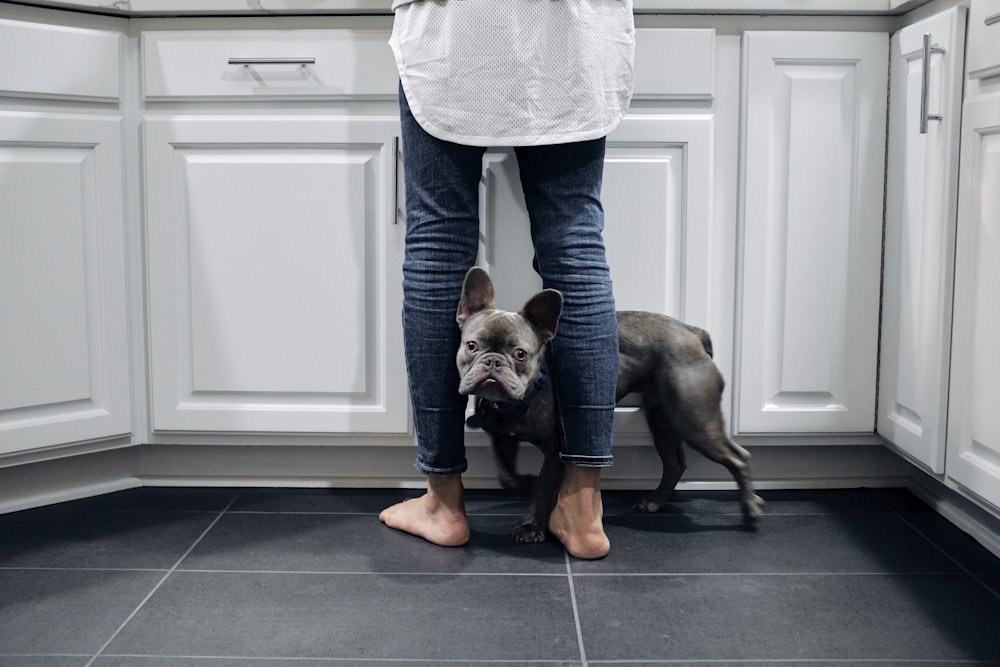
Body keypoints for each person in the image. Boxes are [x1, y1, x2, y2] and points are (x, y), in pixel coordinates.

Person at [378, 0, 635, 560]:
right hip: (570, 27)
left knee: (438, 240)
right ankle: (583, 509)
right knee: (575, 239)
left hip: (459, 26)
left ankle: (443, 502)